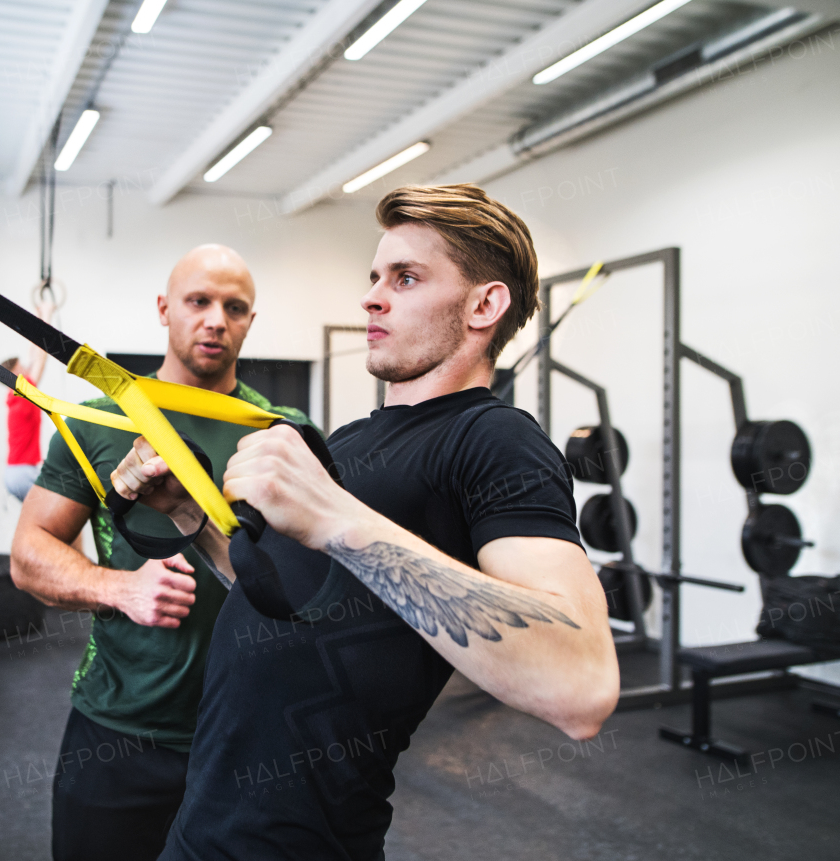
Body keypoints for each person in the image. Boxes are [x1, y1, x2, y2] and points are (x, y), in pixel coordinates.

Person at [109, 185, 621, 861]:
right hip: (203, 829)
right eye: (375, 277)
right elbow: (295, 594)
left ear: (484, 305)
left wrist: (331, 515)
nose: (372, 297)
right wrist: (186, 514)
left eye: (405, 278)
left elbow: (582, 686)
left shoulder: (495, 440)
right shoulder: (351, 439)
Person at [9, 245, 318, 861]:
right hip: (121, 731)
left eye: (234, 308)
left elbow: (313, 579)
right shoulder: (101, 419)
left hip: (247, 737)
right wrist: (118, 588)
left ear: (250, 322)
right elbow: (28, 553)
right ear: (164, 309)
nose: (215, 320)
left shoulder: (283, 431)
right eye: (198, 302)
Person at [2, 301, 56, 501]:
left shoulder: (14, 396)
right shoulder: (22, 396)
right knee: (64, 524)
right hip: (22, 473)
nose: (26, 367)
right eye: (21, 367)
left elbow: (33, 355)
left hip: (15, 473)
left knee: (38, 525)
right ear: (15, 373)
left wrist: (37, 316)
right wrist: (48, 314)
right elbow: (41, 356)